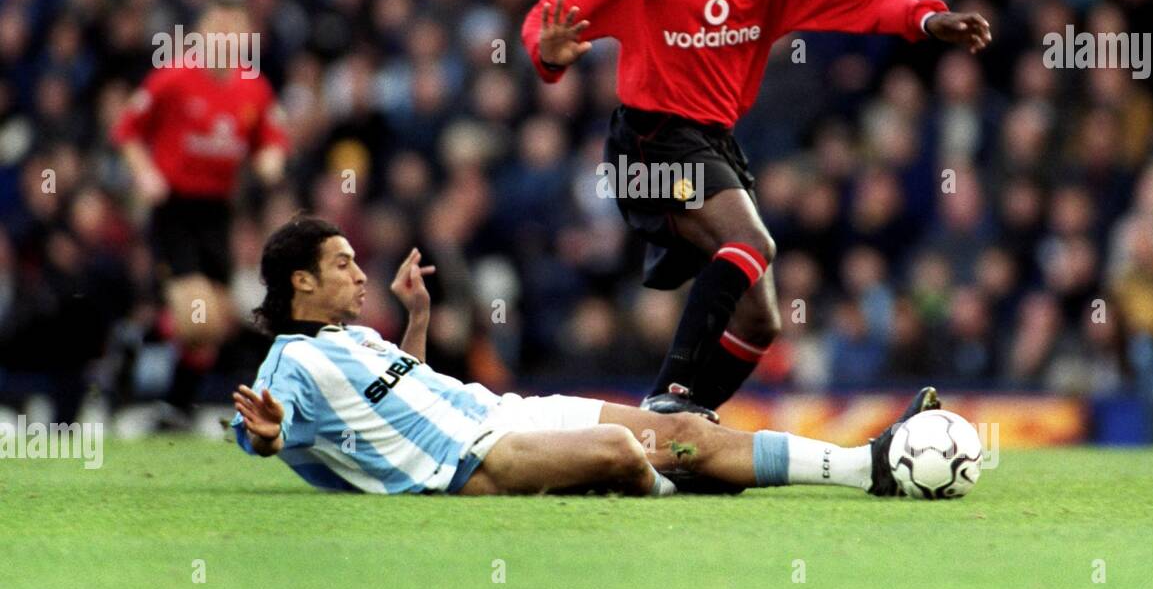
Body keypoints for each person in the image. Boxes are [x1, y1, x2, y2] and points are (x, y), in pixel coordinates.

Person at [521, 0, 991, 421]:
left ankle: (678, 443)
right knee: (751, 242)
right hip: (645, 148)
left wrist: (926, 20)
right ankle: (667, 398)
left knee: (760, 319)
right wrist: (547, 52)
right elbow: (550, 13)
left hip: (713, 144)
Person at [231, 215, 941, 497]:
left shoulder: (356, 340)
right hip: (476, 463)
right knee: (628, 449)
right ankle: (667, 484)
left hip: (503, 414)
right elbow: (270, 424)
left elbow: (410, 388)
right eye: (344, 264)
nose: (361, 275)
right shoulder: (292, 364)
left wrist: (417, 320)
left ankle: (867, 466)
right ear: (302, 281)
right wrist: (266, 437)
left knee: (680, 425)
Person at [112, 0, 288, 423]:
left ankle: (174, 400)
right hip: (175, 209)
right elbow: (127, 130)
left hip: (218, 212)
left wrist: (270, 162)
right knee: (198, 316)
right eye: (218, 30)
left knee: (216, 324)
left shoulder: (254, 87)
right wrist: (145, 173)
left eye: (235, 31)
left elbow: (272, 138)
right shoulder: (171, 79)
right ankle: (137, 350)